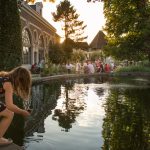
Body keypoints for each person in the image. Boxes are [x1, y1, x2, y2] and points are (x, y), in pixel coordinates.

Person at [0, 66, 31, 145]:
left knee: (6, 110)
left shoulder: (5, 78)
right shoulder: (8, 84)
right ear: (20, 80)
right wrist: (22, 112)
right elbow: (10, 106)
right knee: (9, 113)